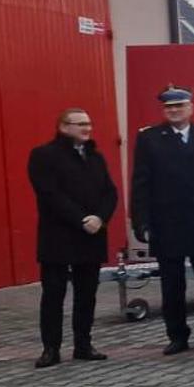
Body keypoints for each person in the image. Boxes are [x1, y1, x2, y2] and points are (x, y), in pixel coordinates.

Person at [130, 87, 194, 355]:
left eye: (180, 106)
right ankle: (177, 335)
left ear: (191, 108)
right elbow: (141, 182)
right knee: (172, 284)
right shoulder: (149, 138)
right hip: (167, 222)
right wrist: (141, 221)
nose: (174, 111)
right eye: (169, 107)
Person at [27, 107, 118, 368]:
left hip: (92, 236)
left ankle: (83, 344)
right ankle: (51, 349)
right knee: (54, 294)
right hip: (59, 237)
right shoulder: (44, 155)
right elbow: (50, 194)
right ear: (63, 127)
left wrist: (100, 218)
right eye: (79, 124)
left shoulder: (96, 158)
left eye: (88, 123)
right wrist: (81, 220)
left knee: (87, 294)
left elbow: (110, 193)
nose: (86, 128)